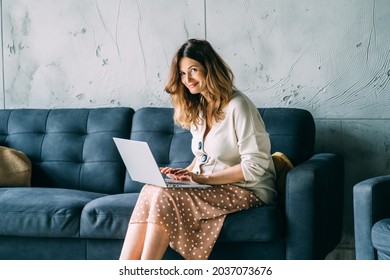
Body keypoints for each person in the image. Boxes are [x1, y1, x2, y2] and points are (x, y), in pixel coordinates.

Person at [119, 39, 276, 260]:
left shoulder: (238, 106)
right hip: (211, 184)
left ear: (209, 69)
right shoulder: (201, 107)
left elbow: (255, 166)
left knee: (165, 196)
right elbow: (204, 157)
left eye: (193, 70)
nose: (188, 79)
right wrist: (184, 173)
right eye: (182, 74)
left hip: (247, 189)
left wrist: (205, 179)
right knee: (152, 188)